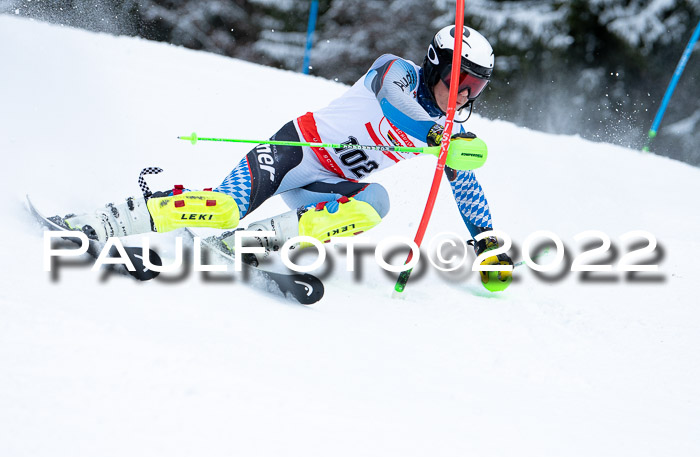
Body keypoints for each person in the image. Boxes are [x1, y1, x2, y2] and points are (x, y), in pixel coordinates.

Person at [59, 25, 513, 290]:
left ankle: (252, 243)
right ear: (436, 65)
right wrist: (437, 133)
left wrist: (488, 239)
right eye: (461, 80)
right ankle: (103, 221)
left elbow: (466, 182)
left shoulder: (452, 134)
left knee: (375, 202)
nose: (466, 94)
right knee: (221, 209)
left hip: (326, 184)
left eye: (477, 87)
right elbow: (399, 108)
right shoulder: (395, 71)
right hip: (293, 152)